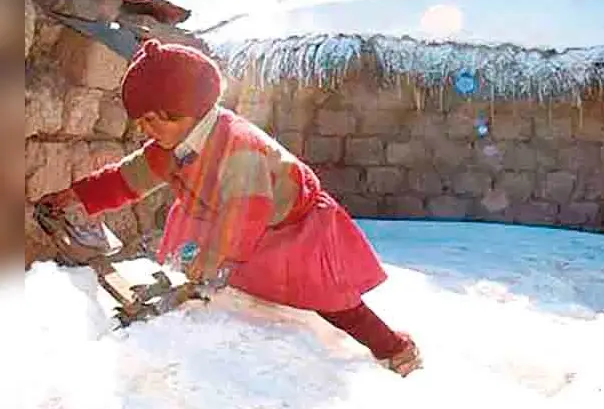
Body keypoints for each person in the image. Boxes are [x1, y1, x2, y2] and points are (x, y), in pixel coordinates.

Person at [38, 39, 422, 376]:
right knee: (197, 265)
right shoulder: (172, 147)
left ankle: (393, 348)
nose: (145, 129)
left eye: (153, 119)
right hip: (228, 218)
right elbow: (127, 178)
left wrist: (207, 267)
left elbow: (243, 219)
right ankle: (204, 293)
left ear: (185, 110)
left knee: (333, 301)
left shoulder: (240, 150)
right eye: (141, 121)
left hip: (291, 225)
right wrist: (76, 196)